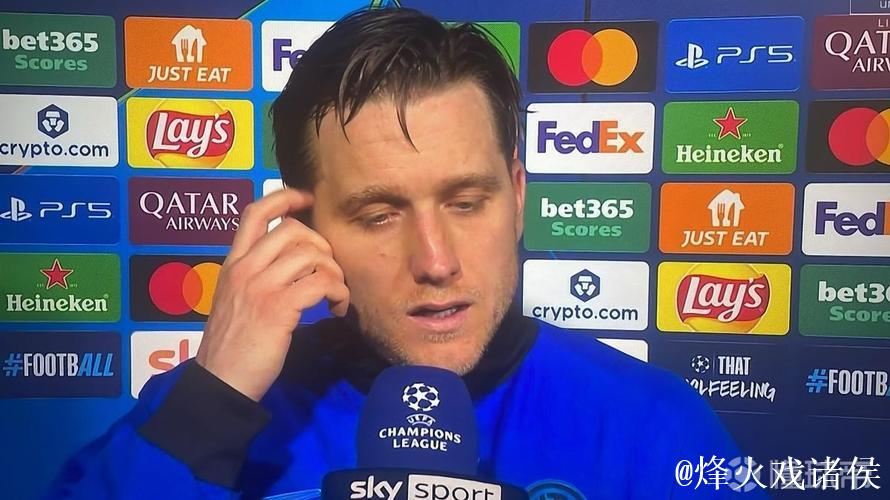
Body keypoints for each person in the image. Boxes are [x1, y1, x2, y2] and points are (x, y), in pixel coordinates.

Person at [47, 8, 766, 499]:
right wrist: (213, 398)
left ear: (518, 195)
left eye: (466, 202)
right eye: (379, 215)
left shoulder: (654, 427)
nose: (436, 261)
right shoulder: (205, 411)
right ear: (305, 225)